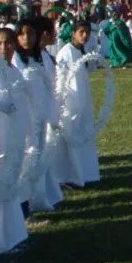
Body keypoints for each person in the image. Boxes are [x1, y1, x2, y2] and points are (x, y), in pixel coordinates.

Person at [0, 28, 31, 256]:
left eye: (8, 43)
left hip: (14, 139)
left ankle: (13, 235)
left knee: (11, 188)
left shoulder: (14, 72)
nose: (4, 48)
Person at [13, 19, 64, 212]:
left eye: (31, 34)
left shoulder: (39, 59)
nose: (27, 38)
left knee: (38, 158)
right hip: (23, 118)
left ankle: (38, 197)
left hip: (39, 117)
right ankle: (22, 202)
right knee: (25, 158)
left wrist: (51, 115)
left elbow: (47, 88)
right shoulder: (14, 61)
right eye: (22, 34)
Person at [54, 20, 101, 185]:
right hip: (71, 100)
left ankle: (86, 172)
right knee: (70, 135)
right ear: (73, 33)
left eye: (87, 32)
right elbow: (60, 79)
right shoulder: (65, 52)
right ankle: (69, 175)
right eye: (81, 32)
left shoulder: (82, 50)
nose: (85, 35)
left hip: (83, 99)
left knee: (84, 132)